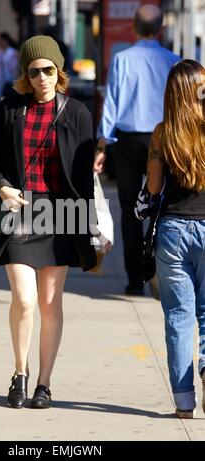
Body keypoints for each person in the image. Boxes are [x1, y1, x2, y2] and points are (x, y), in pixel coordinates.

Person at [0, 35, 105, 409]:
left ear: (59, 71)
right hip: (19, 211)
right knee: (24, 297)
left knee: (51, 302)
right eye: (34, 71)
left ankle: (44, 383)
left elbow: (85, 181)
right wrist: (2, 188)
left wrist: (95, 228)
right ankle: (19, 374)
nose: (42, 78)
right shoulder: (8, 109)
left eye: (48, 70)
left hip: (61, 213)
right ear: (26, 74)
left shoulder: (78, 113)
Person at [94, 4, 180, 296]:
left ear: (133, 26)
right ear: (161, 29)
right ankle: (162, 274)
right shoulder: (173, 61)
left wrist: (103, 142)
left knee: (131, 211)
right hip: (165, 139)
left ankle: (135, 280)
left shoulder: (122, 59)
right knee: (165, 208)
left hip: (129, 140)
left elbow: (113, 104)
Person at [147, 59, 205, 419]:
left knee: (179, 317)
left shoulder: (162, 132)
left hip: (172, 230)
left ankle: (184, 404)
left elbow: (153, 188)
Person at [0, 32, 19, 98]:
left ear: (5, 41)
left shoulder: (12, 53)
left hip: (9, 83)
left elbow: (14, 69)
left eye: (0, 40)